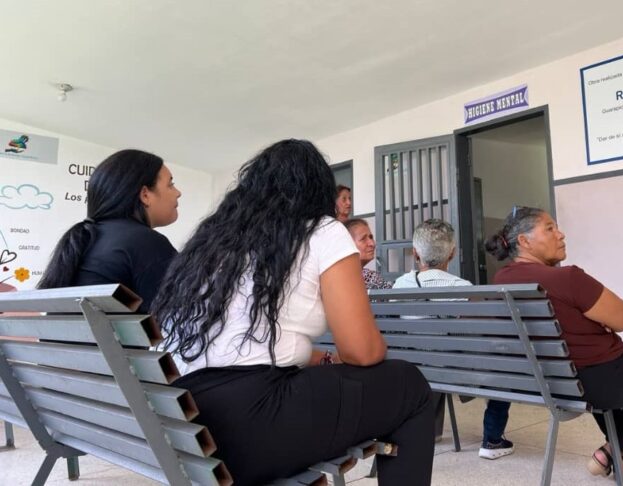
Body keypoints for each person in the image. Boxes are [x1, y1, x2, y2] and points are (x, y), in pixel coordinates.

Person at [153, 139, 434, 485]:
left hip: (185, 423)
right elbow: (361, 352)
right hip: (249, 431)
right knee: (409, 384)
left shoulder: (215, 241)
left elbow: (245, 346)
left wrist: (322, 359)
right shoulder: (323, 230)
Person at [484, 206, 623, 483]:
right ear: (524, 241)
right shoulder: (567, 277)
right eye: (549, 228)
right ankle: (617, 451)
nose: (560, 234)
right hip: (595, 382)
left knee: (603, 377)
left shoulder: (501, 280)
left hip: (547, 383)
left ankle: (618, 455)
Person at [38, 149, 180, 313]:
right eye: (170, 184)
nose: (178, 193)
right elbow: (182, 318)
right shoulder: (147, 242)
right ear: (145, 195)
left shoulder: (87, 238)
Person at [392, 219, 472, 446]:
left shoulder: (401, 284)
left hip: (408, 364)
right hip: (447, 368)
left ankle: (424, 427)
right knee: (441, 357)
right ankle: (431, 429)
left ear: (415, 253)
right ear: (452, 253)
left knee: (429, 358)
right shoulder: (464, 288)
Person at [345, 218, 393, 289]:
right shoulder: (339, 279)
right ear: (347, 244)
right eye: (363, 239)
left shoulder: (371, 277)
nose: (372, 243)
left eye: (371, 237)